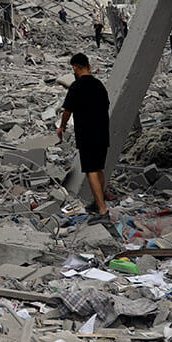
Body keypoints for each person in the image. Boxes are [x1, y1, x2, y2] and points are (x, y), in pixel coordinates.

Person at [57, 54, 110, 219]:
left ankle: (102, 210)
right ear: (89, 66)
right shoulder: (99, 85)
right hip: (102, 132)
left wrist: (62, 126)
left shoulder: (77, 86)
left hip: (87, 134)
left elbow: (67, 111)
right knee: (99, 168)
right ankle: (97, 202)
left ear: (75, 68)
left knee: (91, 170)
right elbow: (105, 105)